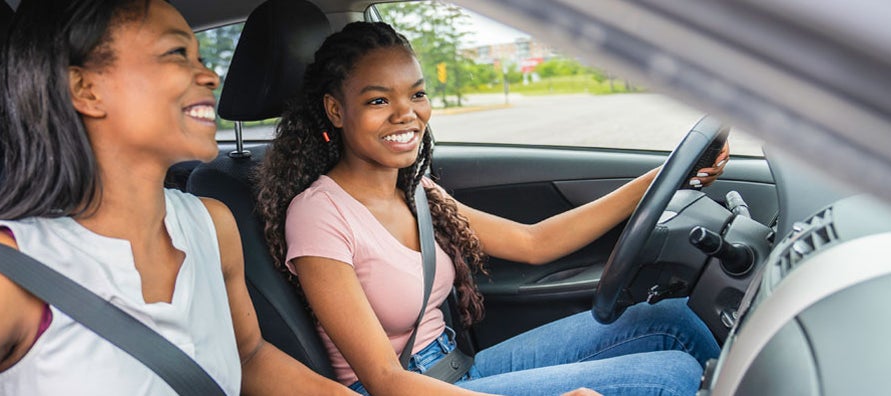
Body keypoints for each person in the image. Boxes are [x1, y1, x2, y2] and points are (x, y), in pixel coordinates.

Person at [0, 0, 352, 394]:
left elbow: (248, 356)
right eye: (176, 53)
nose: (209, 75)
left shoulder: (212, 224)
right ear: (85, 89)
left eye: (199, 56)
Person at [256, 22, 725, 396]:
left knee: (671, 320)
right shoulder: (318, 214)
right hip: (405, 388)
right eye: (379, 100)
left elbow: (534, 242)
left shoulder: (416, 188)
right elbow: (384, 380)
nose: (407, 114)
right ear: (336, 111)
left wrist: (662, 178)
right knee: (669, 377)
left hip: (458, 367)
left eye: (416, 94)